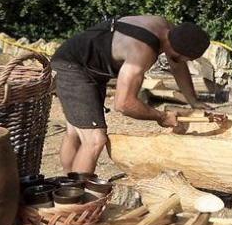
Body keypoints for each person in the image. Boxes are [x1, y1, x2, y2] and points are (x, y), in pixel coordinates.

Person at [51, 16, 216, 174]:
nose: (181, 62)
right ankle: (77, 197)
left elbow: (177, 66)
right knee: (95, 139)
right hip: (72, 66)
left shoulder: (168, 29)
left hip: (83, 62)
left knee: (76, 131)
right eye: (182, 58)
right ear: (176, 51)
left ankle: (66, 186)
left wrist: (193, 101)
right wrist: (162, 116)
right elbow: (124, 104)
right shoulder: (142, 51)